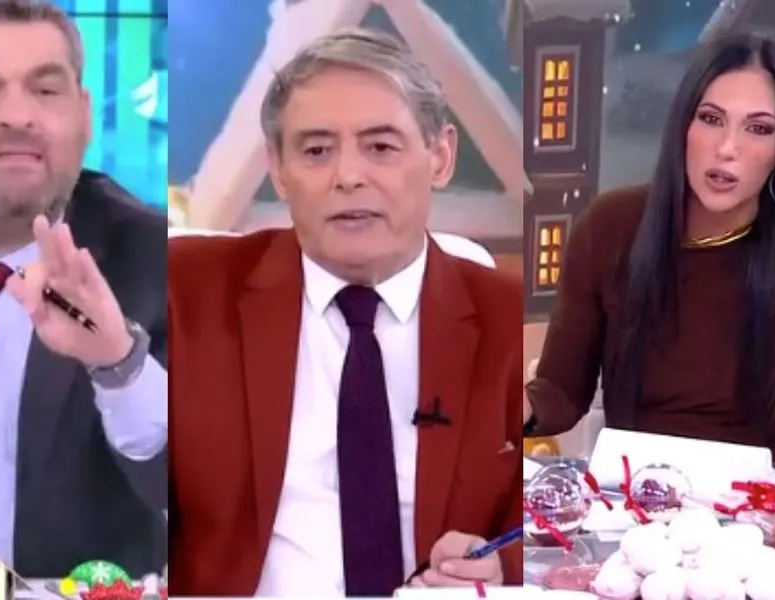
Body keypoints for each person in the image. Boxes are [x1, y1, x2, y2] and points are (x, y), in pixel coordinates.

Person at [168, 28, 523, 596]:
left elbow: (549, 521)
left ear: (441, 156)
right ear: (278, 171)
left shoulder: (504, 316)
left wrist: (503, 567)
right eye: (316, 151)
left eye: (381, 147)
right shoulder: (187, 292)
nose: (348, 176)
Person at [0, 0, 167, 579]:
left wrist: (118, 363)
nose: (17, 115)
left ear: (85, 116)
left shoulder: (154, 261)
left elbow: (206, 487)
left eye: (45, 90)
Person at [524, 34, 775, 462]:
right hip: (631, 487)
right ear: (683, 126)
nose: (727, 148)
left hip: (762, 493)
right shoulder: (610, 227)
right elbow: (561, 391)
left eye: (758, 129)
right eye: (710, 119)